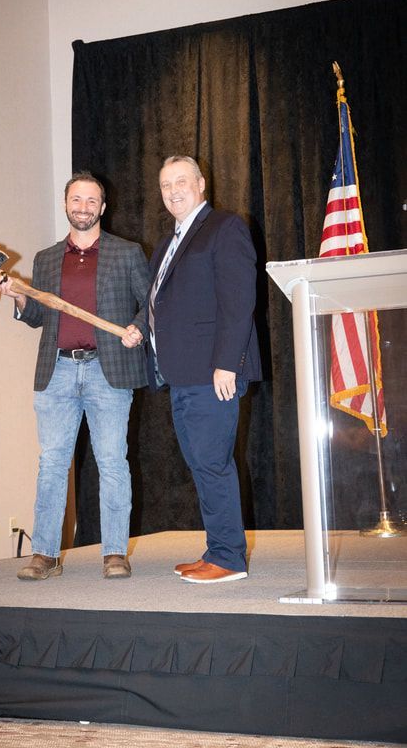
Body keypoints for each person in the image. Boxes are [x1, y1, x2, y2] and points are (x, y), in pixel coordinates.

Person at [0, 171, 149, 580]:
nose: (83, 207)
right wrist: (18, 297)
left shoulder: (127, 252)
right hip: (57, 372)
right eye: (76, 200)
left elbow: (151, 302)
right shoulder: (46, 258)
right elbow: (38, 316)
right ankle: (45, 554)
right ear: (66, 205)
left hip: (107, 371)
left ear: (103, 206)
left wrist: (138, 327)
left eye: (91, 200)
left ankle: (114, 553)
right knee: (51, 464)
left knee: (112, 462)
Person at [147, 156, 261, 584]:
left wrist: (227, 364)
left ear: (201, 184)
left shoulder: (224, 227)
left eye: (181, 181)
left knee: (212, 463)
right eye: (165, 185)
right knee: (202, 465)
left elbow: (238, 300)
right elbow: (161, 304)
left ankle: (229, 558)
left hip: (212, 372)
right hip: (180, 374)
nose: (173, 190)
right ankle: (217, 548)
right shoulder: (167, 242)